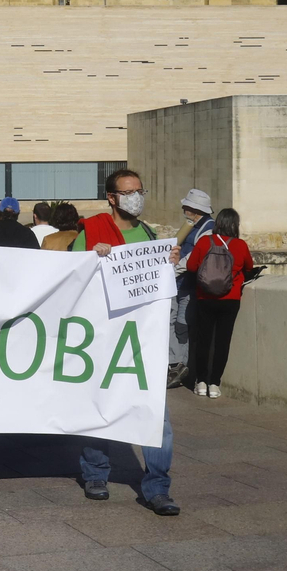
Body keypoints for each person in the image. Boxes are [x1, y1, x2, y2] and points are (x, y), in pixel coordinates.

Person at [72, 169, 184, 516]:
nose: (136, 196)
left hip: (142, 341)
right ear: (111, 198)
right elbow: (69, 277)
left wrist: (171, 265)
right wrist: (93, 257)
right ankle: (95, 474)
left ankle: (158, 488)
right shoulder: (91, 231)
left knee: (157, 418)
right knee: (99, 406)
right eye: (129, 191)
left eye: (140, 190)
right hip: (104, 338)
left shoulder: (149, 235)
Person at [186, 207, 254, 399]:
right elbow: (249, 266)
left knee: (203, 340)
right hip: (230, 299)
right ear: (234, 225)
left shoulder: (204, 242)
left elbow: (191, 266)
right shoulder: (240, 245)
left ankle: (200, 382)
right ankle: (214, 384)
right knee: (222, 342)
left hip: (205, 298)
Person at [171, 189, 216, 390]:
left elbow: (193, 258)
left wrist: (174, 270)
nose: (183, 209)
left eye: (186, 207)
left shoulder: (207, 229)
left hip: (189, 286)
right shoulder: (194, 226)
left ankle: (184, 369)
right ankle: (179, 366)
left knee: (183, 326)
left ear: (194, 209)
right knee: (177, 325)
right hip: (182, 284)